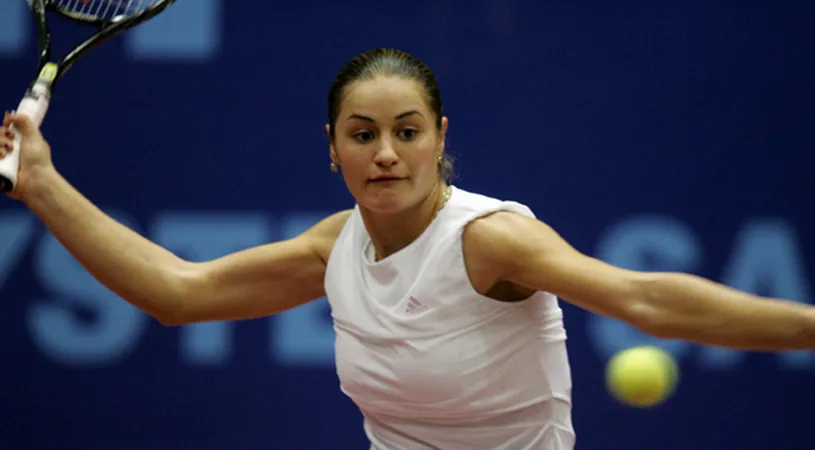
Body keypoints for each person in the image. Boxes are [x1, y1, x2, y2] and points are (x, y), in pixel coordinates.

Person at [1, 47, 814, 450]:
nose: (385, 152)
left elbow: (642, 299)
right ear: (332, 150)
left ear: (437, 140)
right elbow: (176, 294)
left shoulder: (491, 240)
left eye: (405, 131)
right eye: (362, 135)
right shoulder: (335, 247)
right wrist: (41, 183)